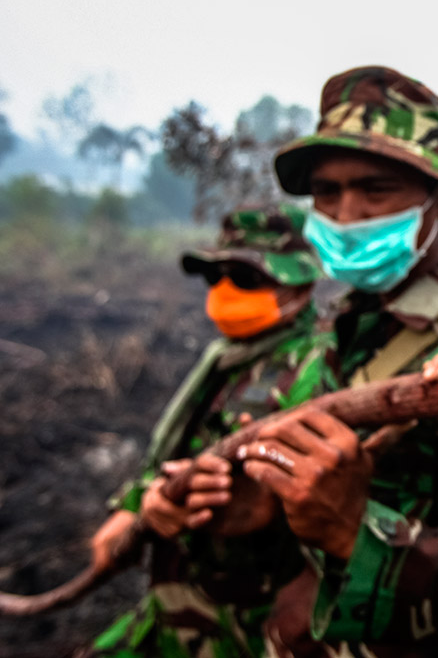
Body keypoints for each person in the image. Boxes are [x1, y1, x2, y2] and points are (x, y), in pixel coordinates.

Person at [234, 65, 438, 656]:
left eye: (375, 188)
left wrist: (353, 531)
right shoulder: (330, 340)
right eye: (326, 193)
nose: (345, 212)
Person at [87, 204, 335, 657]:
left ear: (299, 283)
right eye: (215, 276)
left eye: (245, 279)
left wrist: (187, 499)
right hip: (180, 597)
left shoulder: (317, 367)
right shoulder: (228, 358)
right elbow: (181, 445)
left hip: (252, 621)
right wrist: (137, 504)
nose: (224, 292)